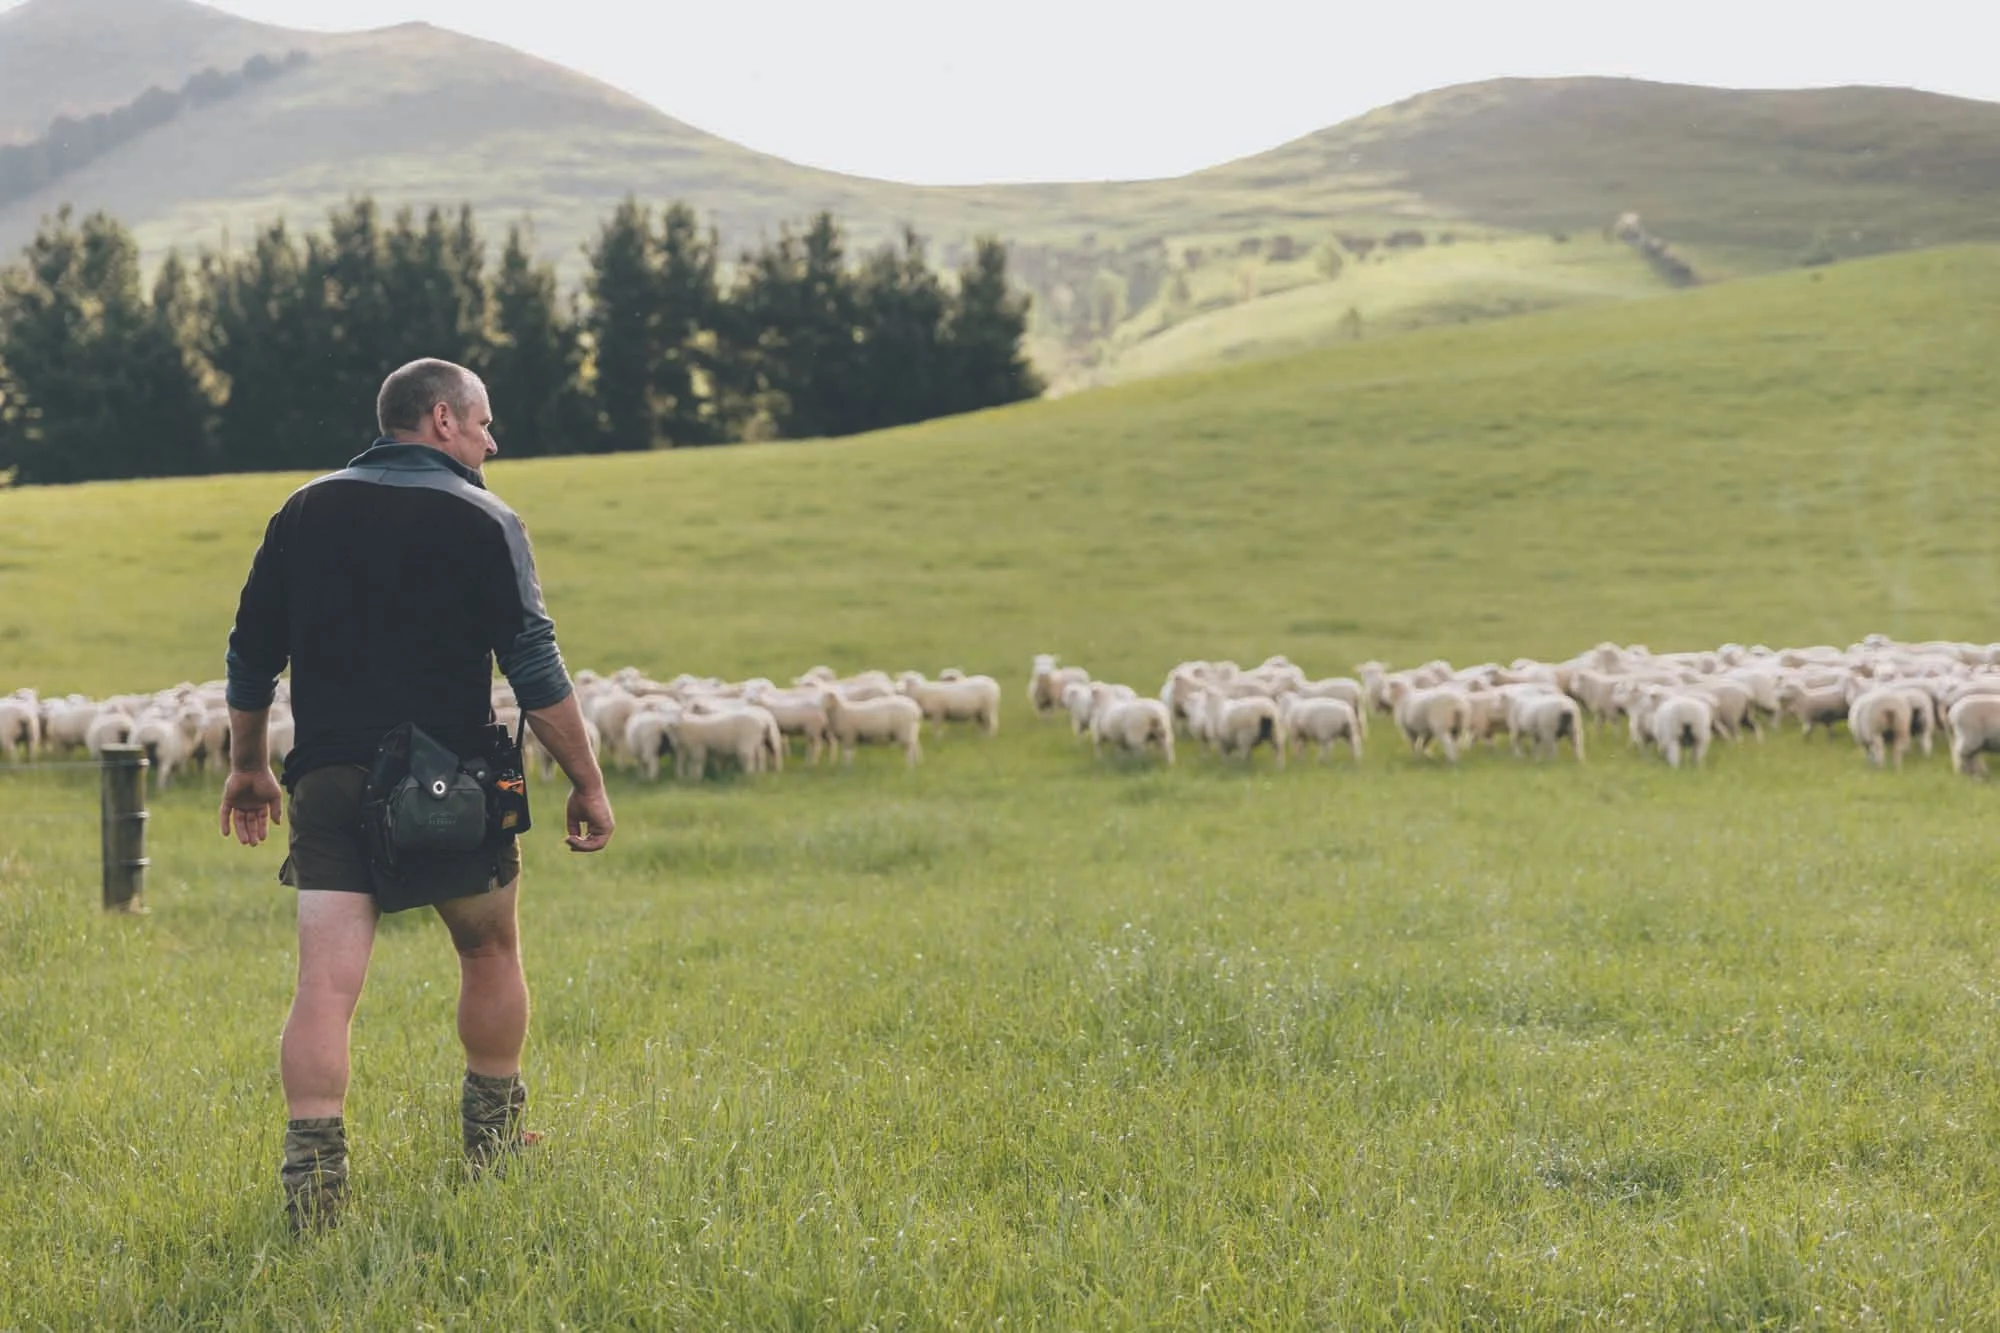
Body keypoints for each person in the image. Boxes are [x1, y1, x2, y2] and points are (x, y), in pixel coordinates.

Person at [217, 357, 615, 1232]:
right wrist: (586, 781)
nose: (491, 440)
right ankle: (495, 1143)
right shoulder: (487, 516)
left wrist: (248, 764)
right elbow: (535, 666)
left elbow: (250, 654)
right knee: (488, 950)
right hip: (455, 782)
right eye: (483, 423)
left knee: (325, 985)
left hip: (328, 773)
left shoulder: (303, 510)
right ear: (441, 420)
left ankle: (315, 1190)